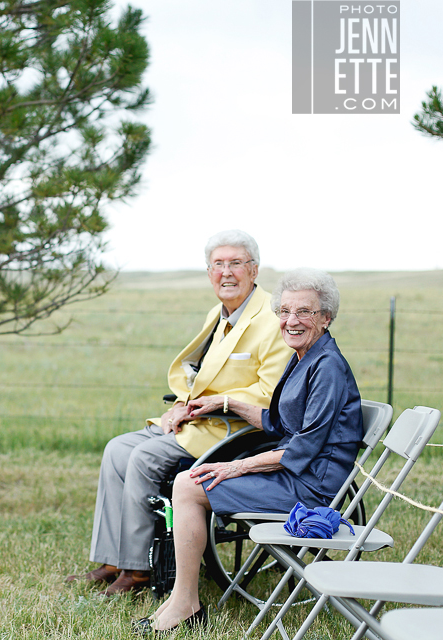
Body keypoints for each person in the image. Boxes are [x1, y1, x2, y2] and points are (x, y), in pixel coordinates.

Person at [135, 268, 363, 634]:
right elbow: (276, 423)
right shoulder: (304, 357)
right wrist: (225, 402)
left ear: (326, 317)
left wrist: (235, 467)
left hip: (310, 489)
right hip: (295, 475)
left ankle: (184, 604)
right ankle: (182, 600)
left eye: (304, 312)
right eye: (284, 311)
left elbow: (300, 449)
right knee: (189, 481)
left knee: (188, 485)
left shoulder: (327, 368)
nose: (291, 321)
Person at [67, 230, 290, 596]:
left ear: (254, 269)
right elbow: (200, 374)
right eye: (218, 264)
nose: (226, 272)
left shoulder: (270, 318)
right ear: (209, 273)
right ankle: (113, 559)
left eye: (236, 263)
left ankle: (137, 570)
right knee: (116, 449)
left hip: (233, 430)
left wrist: (217, 402)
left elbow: (271, 394)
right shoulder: (218, 315)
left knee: (143, 457)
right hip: (197, 419)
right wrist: (180, 405)